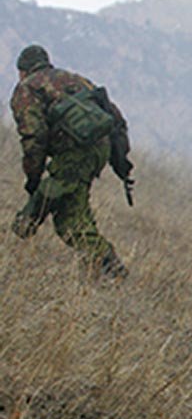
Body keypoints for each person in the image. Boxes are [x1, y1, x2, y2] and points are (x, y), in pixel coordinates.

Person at [9, 44, 130, 278]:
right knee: (73, 211)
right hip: (99, 150)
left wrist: (33, 177)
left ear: (23, 70)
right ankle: (101, 267)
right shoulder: (76, 80)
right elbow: (114, 116)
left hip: (74, 154)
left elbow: (33, 136)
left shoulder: (28, 88)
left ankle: (110, 269)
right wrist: (120, 163)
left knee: (64, 216)